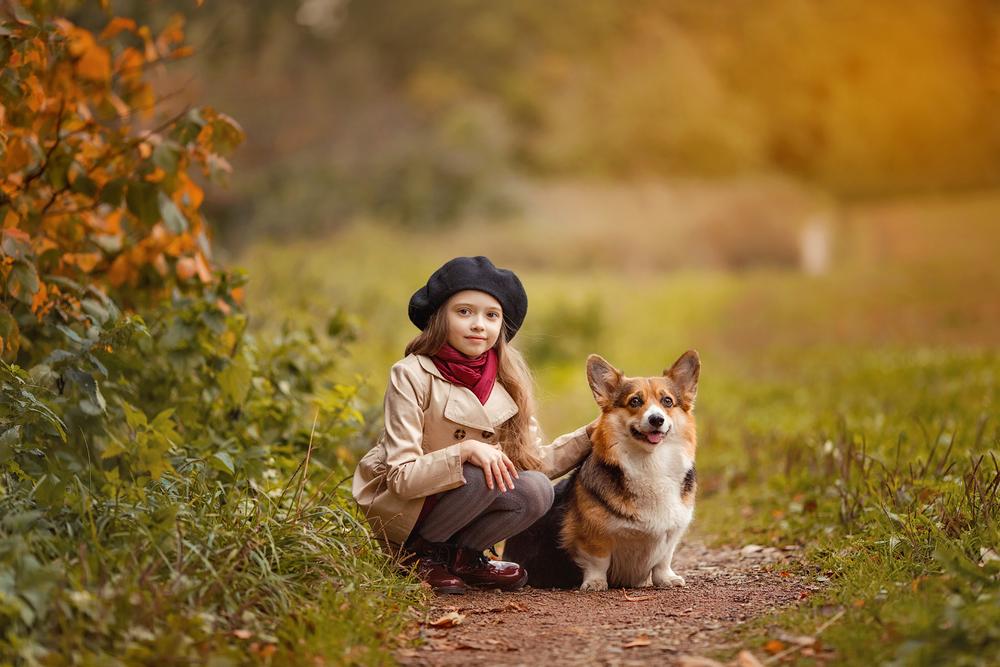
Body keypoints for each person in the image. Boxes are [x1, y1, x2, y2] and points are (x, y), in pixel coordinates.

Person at [352, 256, 593, 594]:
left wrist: (592, 434)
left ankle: (460, 557)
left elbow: (535, 462)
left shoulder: (507, 382)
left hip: (466, 497)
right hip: (407, 505)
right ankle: (414, 557)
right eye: (464, 312)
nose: (478, 324)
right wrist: (465, 450)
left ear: (501, 326)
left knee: (536, 488)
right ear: (440, 318)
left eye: (491, 315)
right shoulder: (411, 374)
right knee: (481, 470)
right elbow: (400, 478)